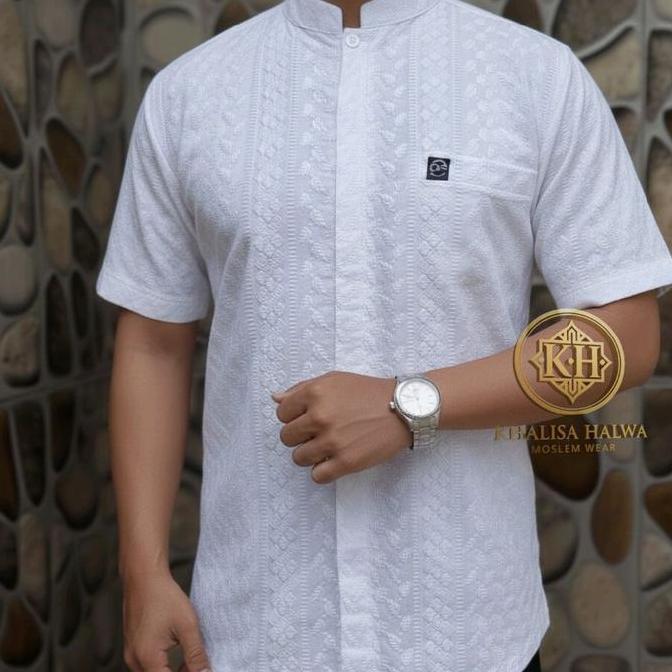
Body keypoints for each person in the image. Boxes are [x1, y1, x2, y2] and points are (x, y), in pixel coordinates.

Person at [95, 0, 672, 670]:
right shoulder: (190, 94)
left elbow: (626, 337)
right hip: (261, 628)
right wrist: (142, 571)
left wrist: (410, 405)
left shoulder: (535, 76)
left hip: (467, 629)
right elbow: (154, 343)